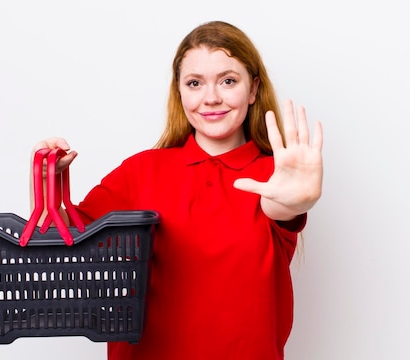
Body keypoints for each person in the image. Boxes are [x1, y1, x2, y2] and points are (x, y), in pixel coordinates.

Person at [30, 20, 323, 360]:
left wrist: (295, 204)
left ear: (253, 89)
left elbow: (281, 207)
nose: (211, 98)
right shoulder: (140, 171)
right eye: (195, 83)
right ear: (180, 92)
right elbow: (62, 236)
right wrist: (46, 179)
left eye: (228, 81)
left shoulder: (275, 177)